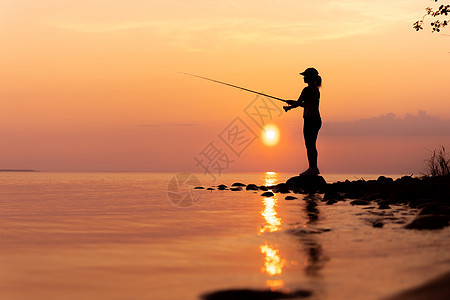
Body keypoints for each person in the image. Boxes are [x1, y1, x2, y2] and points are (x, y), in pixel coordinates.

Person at [283, 67, 322, 176]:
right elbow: (305, 104)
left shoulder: (307, 89)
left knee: (309, 145)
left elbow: (299, 103)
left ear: (309, 77)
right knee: (312, 144)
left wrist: (289, 107)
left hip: (310, 120)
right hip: (317, 119)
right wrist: (293, 103)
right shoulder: (316, 90)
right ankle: (314, 168)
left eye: (305, 76)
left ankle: (312, 168)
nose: (303, 77)